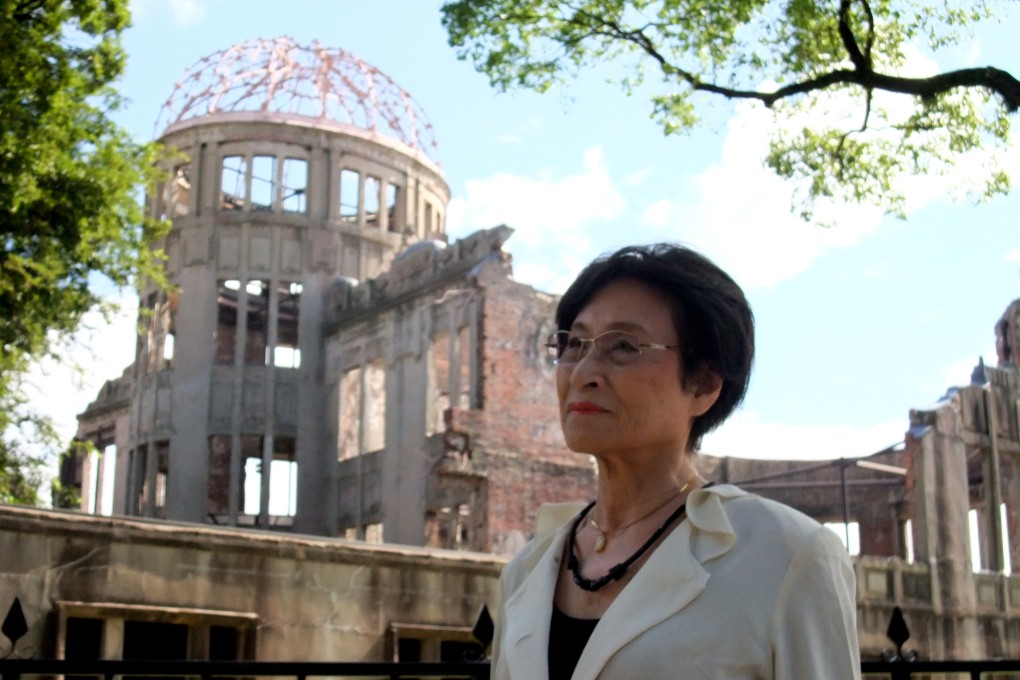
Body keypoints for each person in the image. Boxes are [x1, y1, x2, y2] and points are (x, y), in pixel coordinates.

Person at [490, 244, 860, 680]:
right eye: (574, 344)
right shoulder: (529, 569)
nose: (582, 371)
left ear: (703, 384)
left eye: (623, 346)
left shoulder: (785, 555)